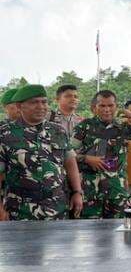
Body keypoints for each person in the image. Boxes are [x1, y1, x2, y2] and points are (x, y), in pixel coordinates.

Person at [0, 85, 83, 221]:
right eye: (34, 102)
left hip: (57, 208)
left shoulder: (58, 131)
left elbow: (70, 162)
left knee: (58, 243)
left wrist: (77, 192)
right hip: (20, 211)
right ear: (20, 106)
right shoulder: (5, 134)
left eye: (44, 102)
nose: (41, 106)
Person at [72, 90, 131, 219]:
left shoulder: (122, 127)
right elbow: (69, 154)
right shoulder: (84, 126)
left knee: (118, 231)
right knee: (90, 231)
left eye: (110, 105)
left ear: (116, 107)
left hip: (117, 191)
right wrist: (86, 158)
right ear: (94, 108)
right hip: (91, 191)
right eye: (102, 106)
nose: (107, 109)